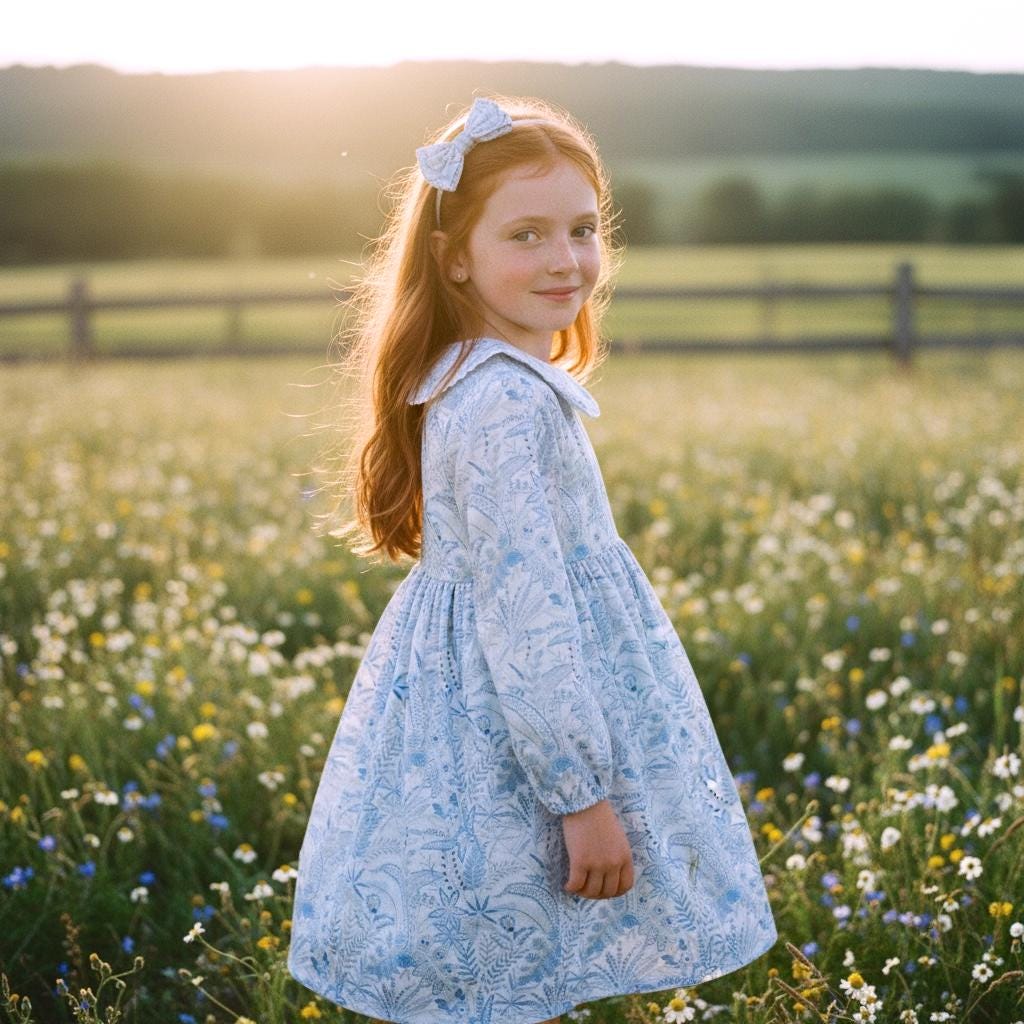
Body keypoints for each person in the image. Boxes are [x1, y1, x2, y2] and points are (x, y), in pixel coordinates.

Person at [287, 93, 778, 1024]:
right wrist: (581, 796)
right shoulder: (502, 405)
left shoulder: (479, 379)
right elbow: (525, 622)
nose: (565, 259)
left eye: (583, 229)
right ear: (454, 256)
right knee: (510, 948)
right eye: (526, 235)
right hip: (522, 725)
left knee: (507, 957)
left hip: (482, 708)